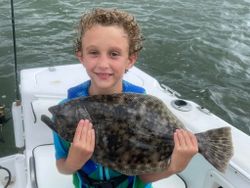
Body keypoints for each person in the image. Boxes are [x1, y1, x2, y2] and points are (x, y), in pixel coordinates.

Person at [53, 8, 198, 188]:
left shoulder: (144, 109)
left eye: (114, 54)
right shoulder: (66, 111)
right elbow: (63, 167)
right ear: (81, 56)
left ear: (130, 59)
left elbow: (144, 178)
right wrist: (74, 161)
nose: (103, 64)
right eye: (93, 52)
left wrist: (174, 166)